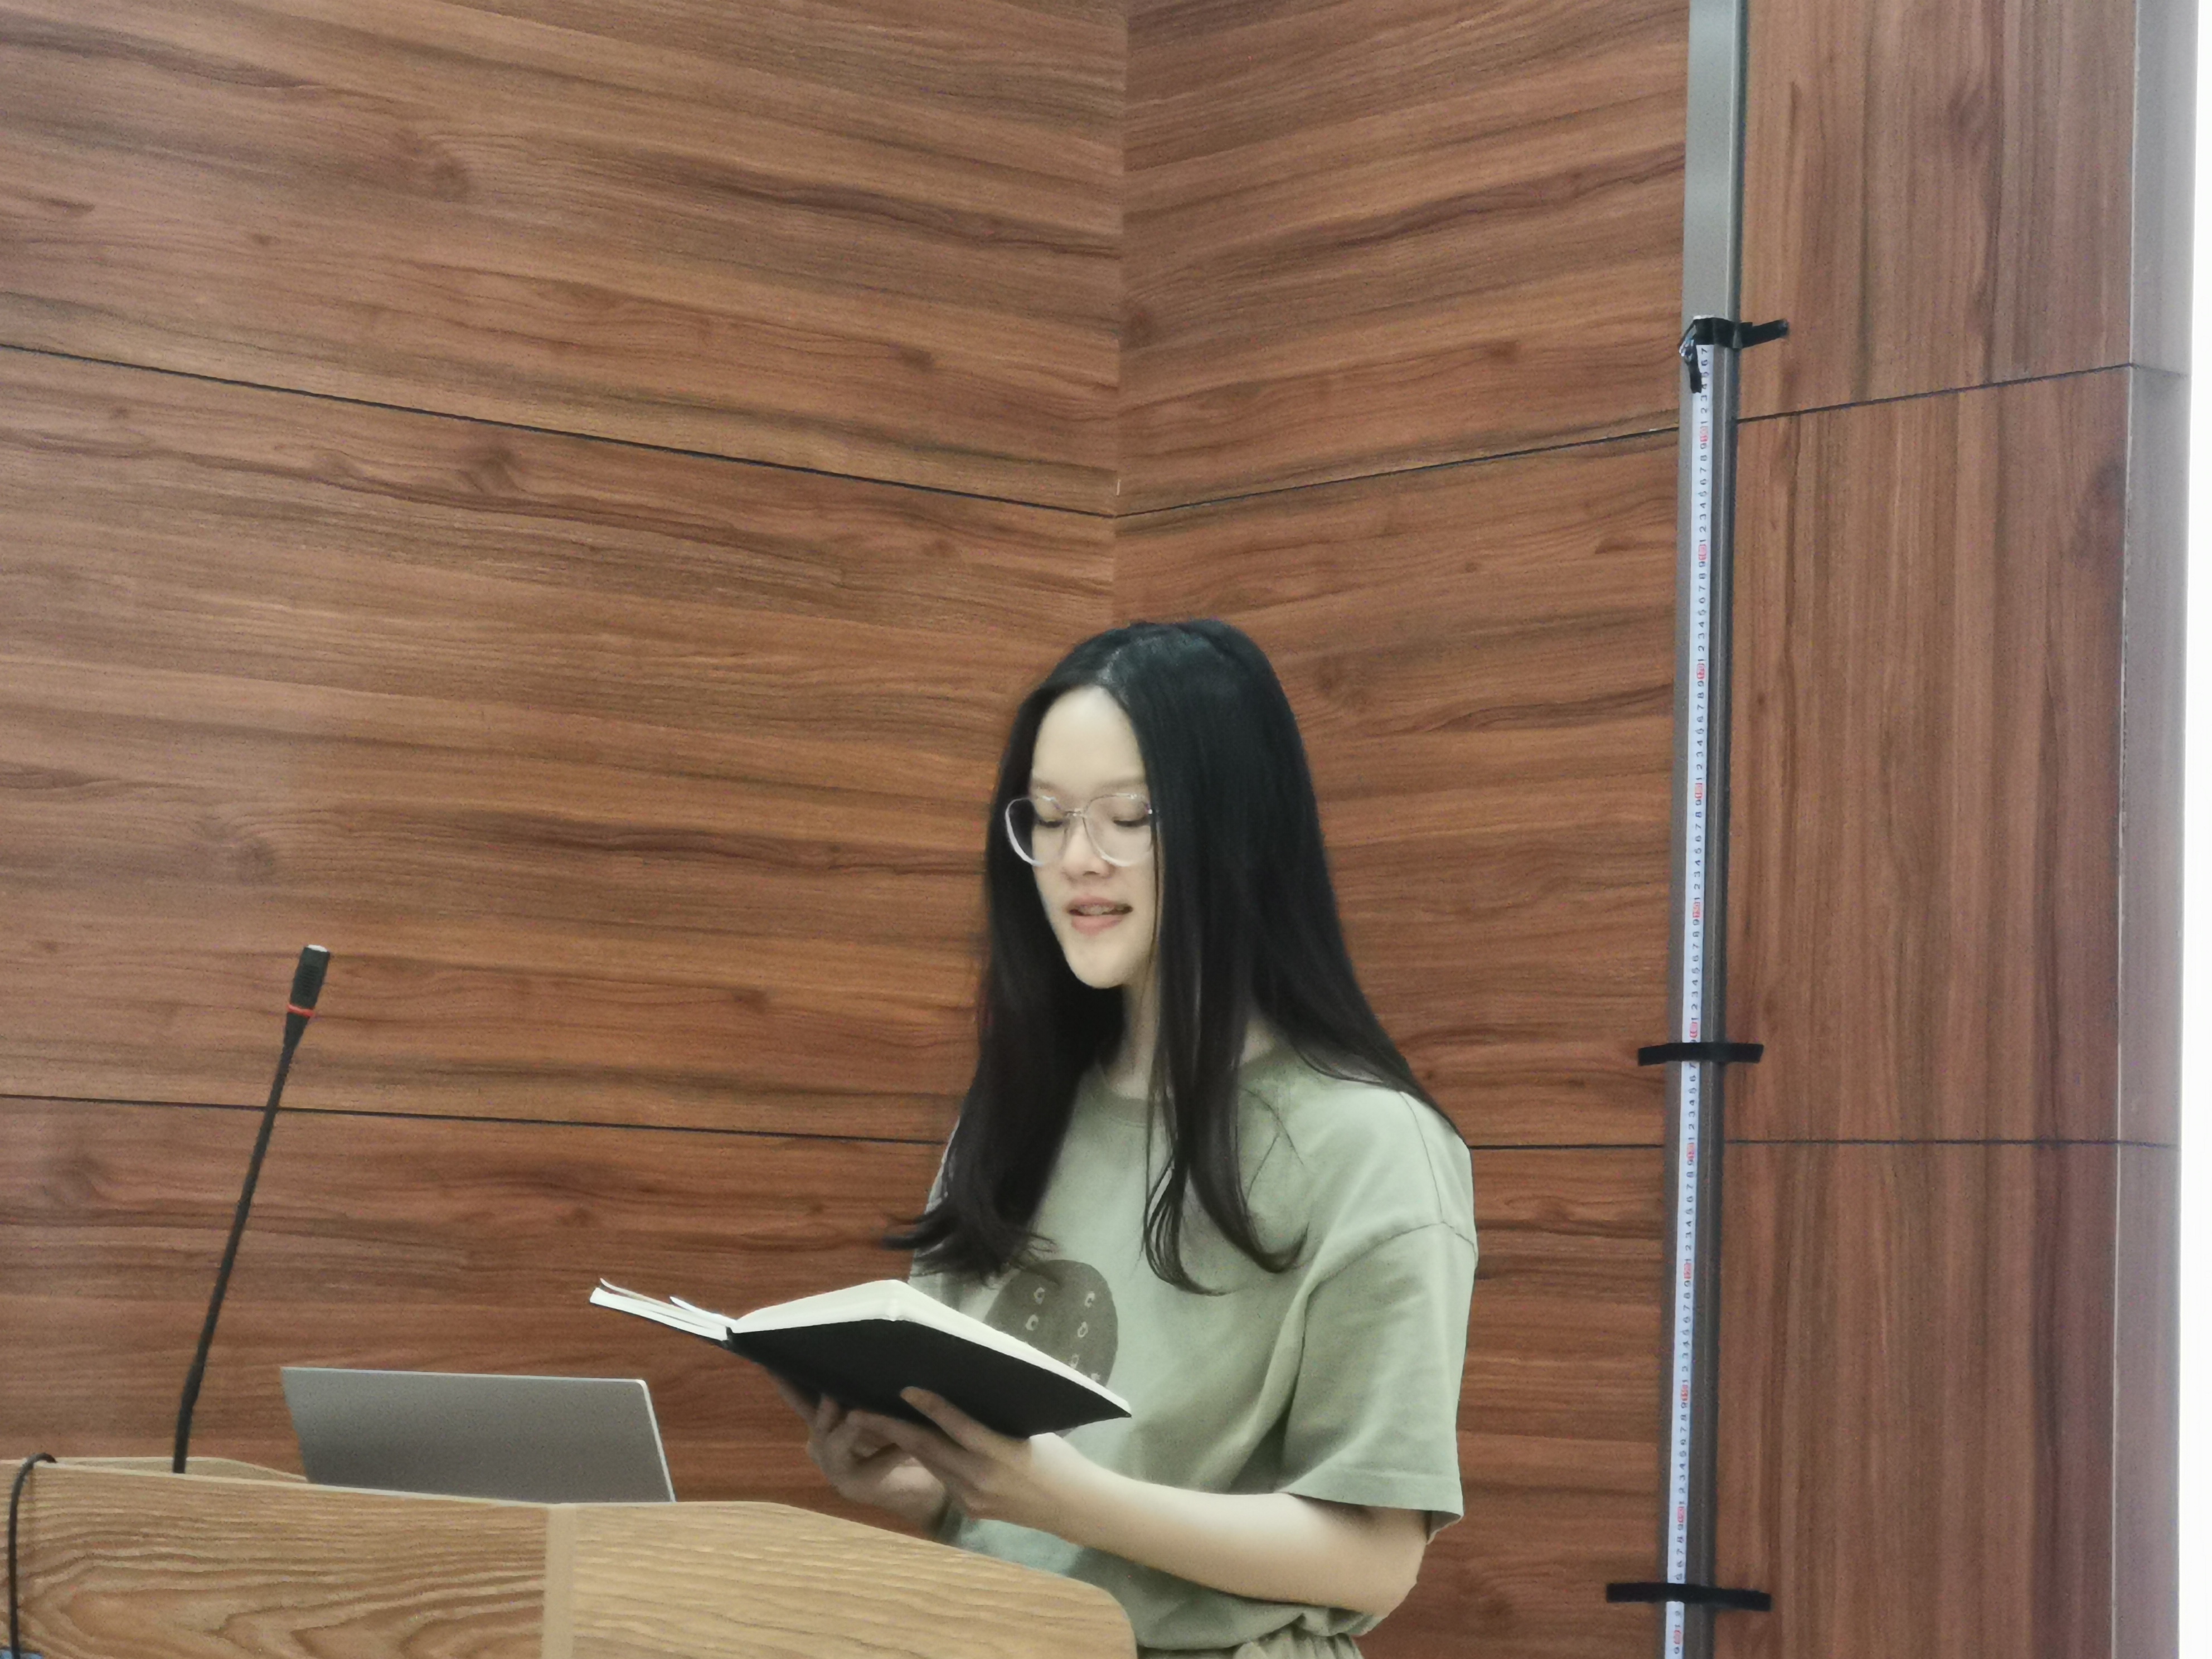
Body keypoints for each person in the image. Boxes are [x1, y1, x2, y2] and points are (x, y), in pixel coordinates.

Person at [774, 620, 1477, 1659]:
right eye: (1049, 817)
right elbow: (1024, 1510)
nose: (1077, 859)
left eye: (1130, 816)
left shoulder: (1371, 1145)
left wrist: (1066, 1500)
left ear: (1238, 830)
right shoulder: (1017, 1113)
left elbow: (1375, 1559)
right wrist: (929, 1484)